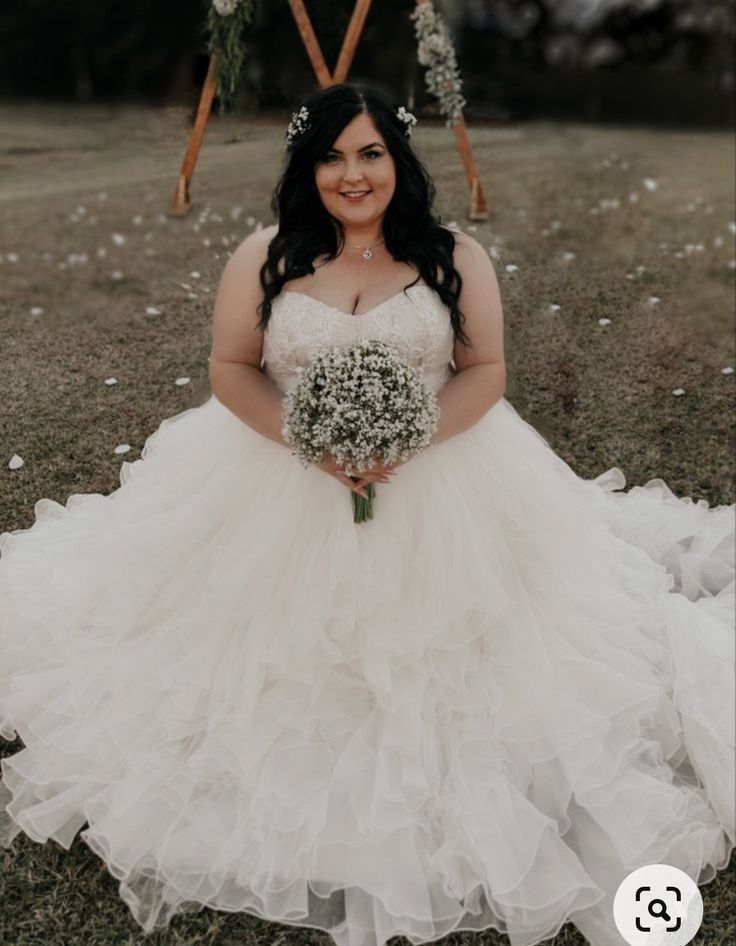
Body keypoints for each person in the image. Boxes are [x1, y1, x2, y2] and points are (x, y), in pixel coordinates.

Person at [0, 81, 733, 946]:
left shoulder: (453, 255)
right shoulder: (264, 255)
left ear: (399, 160)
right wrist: (310, 442)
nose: (353, 175)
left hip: (443, 477)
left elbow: (484, 371)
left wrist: (406, 442)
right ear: (308, 169)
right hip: (275, 477)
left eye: (371, 153)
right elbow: (232, 368)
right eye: (332, 157)